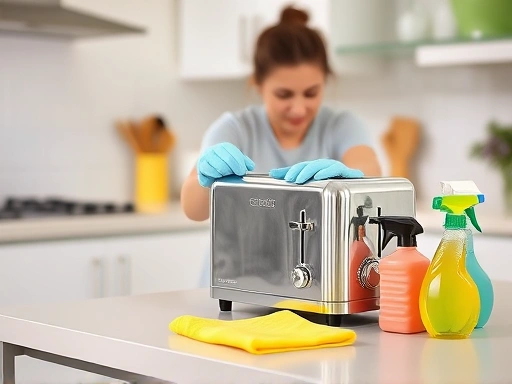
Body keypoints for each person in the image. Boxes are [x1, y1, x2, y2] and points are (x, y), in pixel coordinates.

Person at [181, 6, 382, 285]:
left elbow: (369, 170)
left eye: (311, 93)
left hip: (314, 289)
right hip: (236, 285)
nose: (298, 108)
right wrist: (205, 177)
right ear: (258, 84)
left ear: (326, 81)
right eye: (284, 94)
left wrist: (352, 178)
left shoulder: (342, 126)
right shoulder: (234, 129)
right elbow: (193, 209)